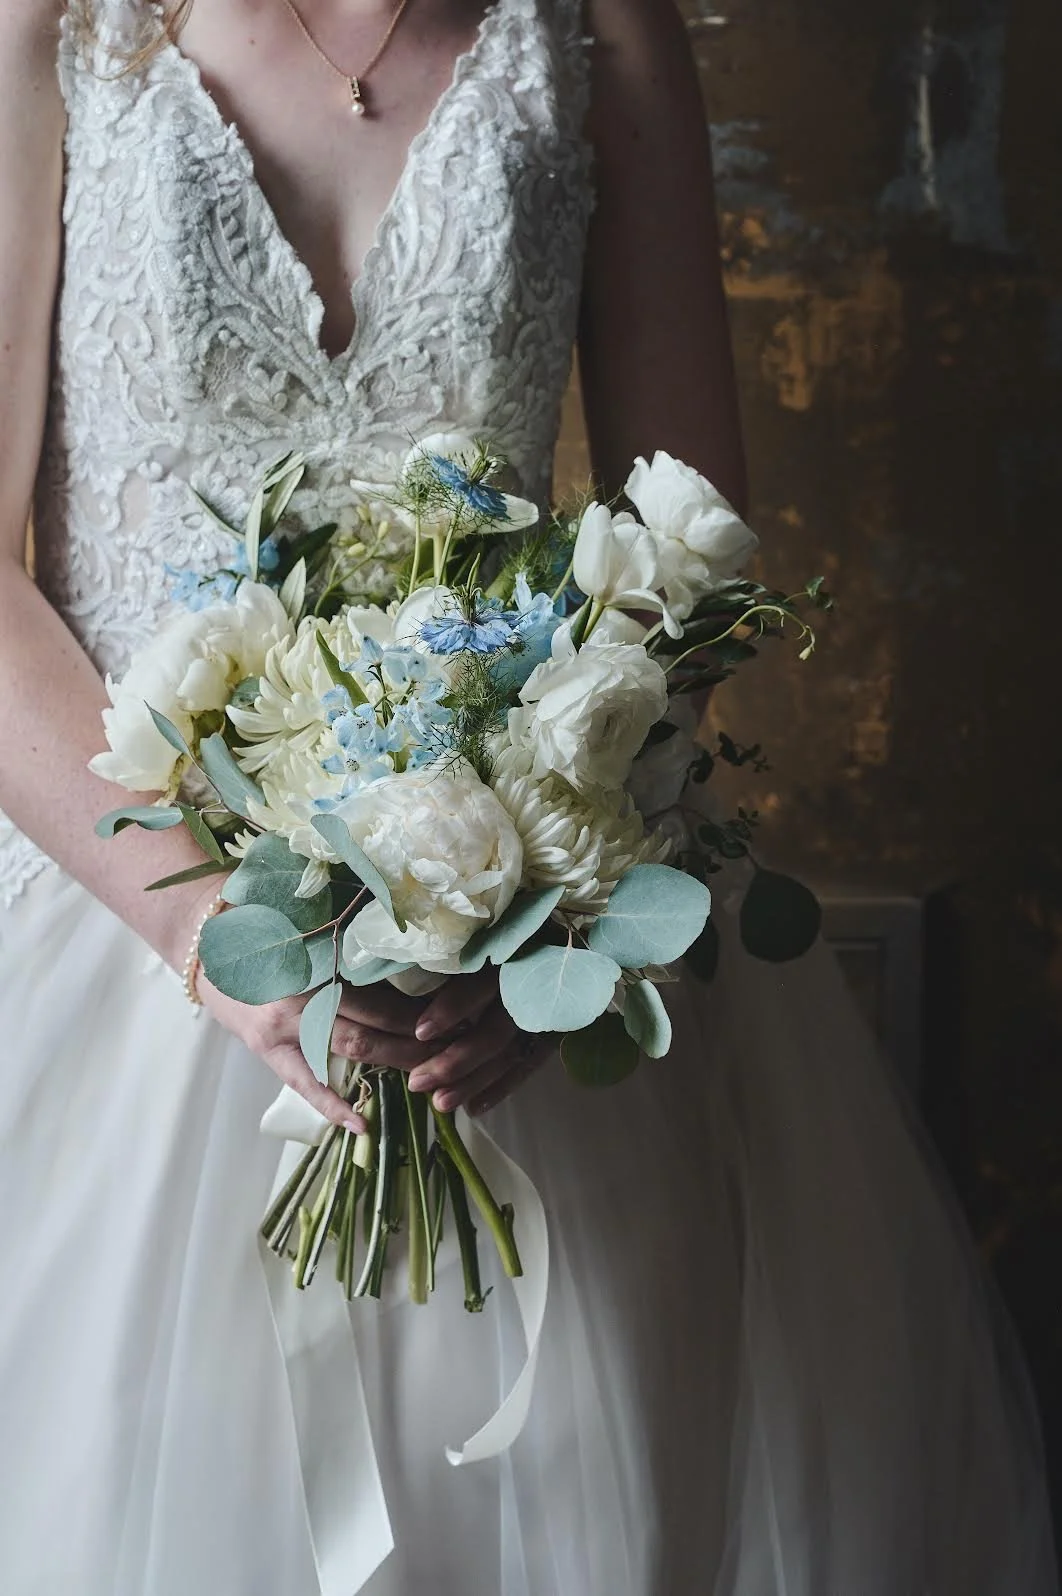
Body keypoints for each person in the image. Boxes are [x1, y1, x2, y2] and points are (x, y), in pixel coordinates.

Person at [0, 1, 1056, 1591]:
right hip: (120, 893)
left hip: (512, 932)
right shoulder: (53, 23)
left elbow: (684, 537)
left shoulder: (593, 30)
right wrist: (211, 931)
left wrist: (556, 904)